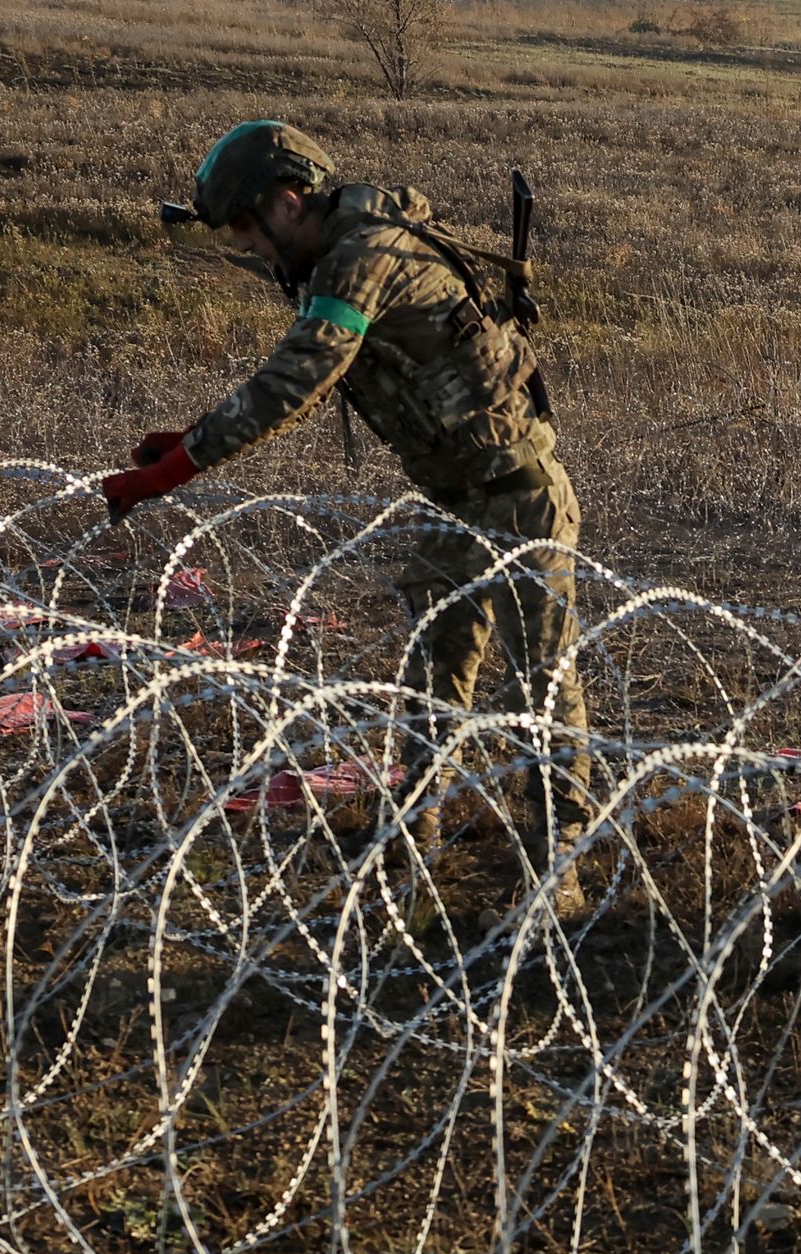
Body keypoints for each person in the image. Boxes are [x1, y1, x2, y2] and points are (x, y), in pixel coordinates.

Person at [101, 121, 593, 862]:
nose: (242, 244)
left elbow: (298, 374)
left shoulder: (361, 257)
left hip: (518, 493)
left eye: (245, 223)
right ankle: (415, 832)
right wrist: (192, 437)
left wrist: (177, 468)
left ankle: (564, 866)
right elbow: (303, 379)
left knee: (542, 698)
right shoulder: (342, 253)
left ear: (290, 200)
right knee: (435, 674)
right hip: (454, 499)